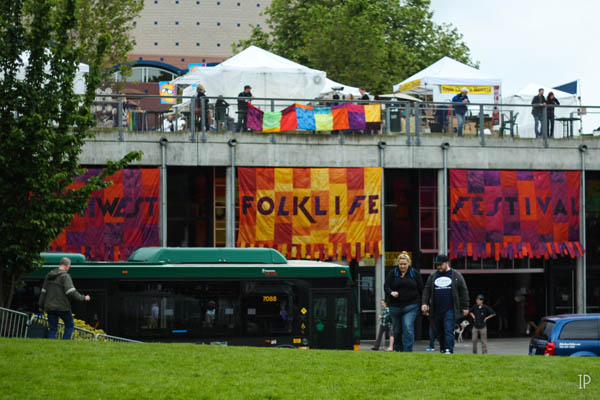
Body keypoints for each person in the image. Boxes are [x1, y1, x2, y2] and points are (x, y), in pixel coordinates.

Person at [421, 254, 469, 354]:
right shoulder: (433, 276)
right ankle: (443, 348)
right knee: (439, 330)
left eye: (440, 265)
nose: (438, 267)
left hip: (450, 308)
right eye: (437, 265)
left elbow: (463, 291)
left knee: (448, 329)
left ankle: (449, 349)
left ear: (447, 263)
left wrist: (465, 307)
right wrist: (424, 303)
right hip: (437, 309)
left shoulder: (456, 275)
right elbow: (427, 290)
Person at [38, 257, 91, 339]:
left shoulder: (49, 276)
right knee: (69, 325)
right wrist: (84, 298)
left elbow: (43, 292)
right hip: (62, 307)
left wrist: (41, 306)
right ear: (67, 265)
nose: (69, 268)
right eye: (69, 266)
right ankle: (65, 343)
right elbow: (71, 292)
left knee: (52, 329)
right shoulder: (65, 276)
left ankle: (50, 346)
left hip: (50, 307)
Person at [384, 251, 423, 352]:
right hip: (395, 306)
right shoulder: (393, 273)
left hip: (411, 306)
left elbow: (421, 289)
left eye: (404, 264)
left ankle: (408, 351)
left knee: (407, 327)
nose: (402, 266)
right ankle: (398, 350)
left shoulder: (414, 273)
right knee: (397, 330)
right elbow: (386, 286)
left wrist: (423, 303)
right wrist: (391, 292)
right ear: (398, 263)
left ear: (408, 263)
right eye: (400, 264)